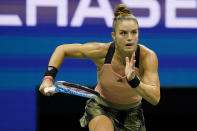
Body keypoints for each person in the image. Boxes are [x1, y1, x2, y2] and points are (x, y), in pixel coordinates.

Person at [39, 3, 160, 131]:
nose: (129, 38)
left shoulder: (147, 57)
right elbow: (62, 50)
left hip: (132, 113)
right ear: (114, 36)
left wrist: (134, 80)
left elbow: (155, 98)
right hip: (101, 107)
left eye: (133, 32)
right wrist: (48, 78)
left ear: (138, 33)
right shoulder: (101, 52)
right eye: (123, 33)